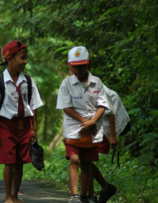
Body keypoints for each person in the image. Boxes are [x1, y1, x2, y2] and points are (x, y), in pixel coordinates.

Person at [0, 41, 43, 203]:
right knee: (9, 161)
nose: (25, 61)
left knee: (20, 161)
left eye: (26, 58)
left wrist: (34, 128)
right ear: (10, 59)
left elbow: (34, 106)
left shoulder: (29, 82)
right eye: (22, 58)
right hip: (6, 125)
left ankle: (16, 195)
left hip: (24, 125)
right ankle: (8, 196)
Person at [56, 46, 109, 203]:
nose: (77, 69)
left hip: (92, 129)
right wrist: (85, 121)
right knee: (75, 160)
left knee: (87, 162)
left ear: (88, 64)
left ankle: (84, 195)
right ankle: (74, 195)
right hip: (74, 127)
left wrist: (92, 121)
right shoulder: (66, 83)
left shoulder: (96, 82)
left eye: (81, 65)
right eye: (74, 66)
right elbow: (66, 107)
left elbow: (103, 105)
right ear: (69, 65)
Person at [68, 67, 120, 203]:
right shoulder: (71, 86)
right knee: (84, 160)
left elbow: (110, 112)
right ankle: (97, 191)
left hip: (100, 127)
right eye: (71, 70)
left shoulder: (96, 86)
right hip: (85, 128)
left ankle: (93, 193)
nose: (73, 73)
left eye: (77, 69)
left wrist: (112, 135)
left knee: (87, 160)